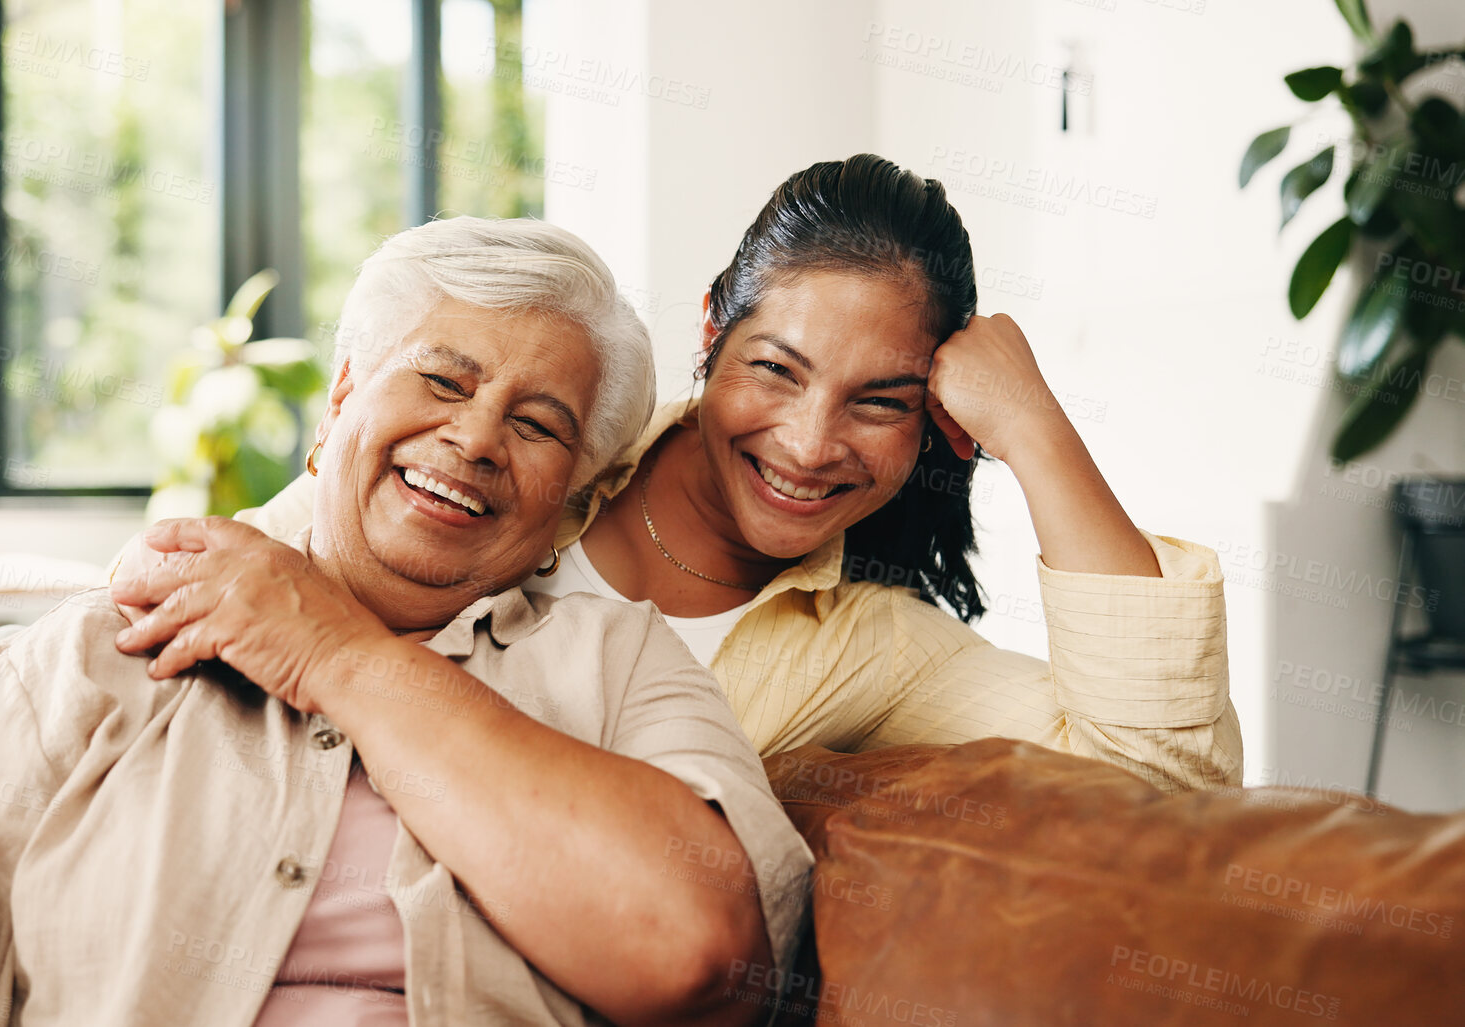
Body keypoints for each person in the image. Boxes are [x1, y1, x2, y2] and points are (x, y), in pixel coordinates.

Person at [0, 218, 811, 1026]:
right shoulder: (127, 633)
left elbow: (692, 945)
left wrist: (336, 650)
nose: (472, 437)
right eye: (441, 378)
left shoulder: (612, 664)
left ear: (570, 501)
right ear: (337, 405)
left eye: (533, 424)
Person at [116, 154, 1239, 793]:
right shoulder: (539, 451)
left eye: (879, 403)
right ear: (712, 327)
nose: (808, 442)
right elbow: (285, 559)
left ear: (937, 421)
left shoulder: (869, 651)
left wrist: (1036, 428)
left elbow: (1164, 778)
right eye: (776, 370)